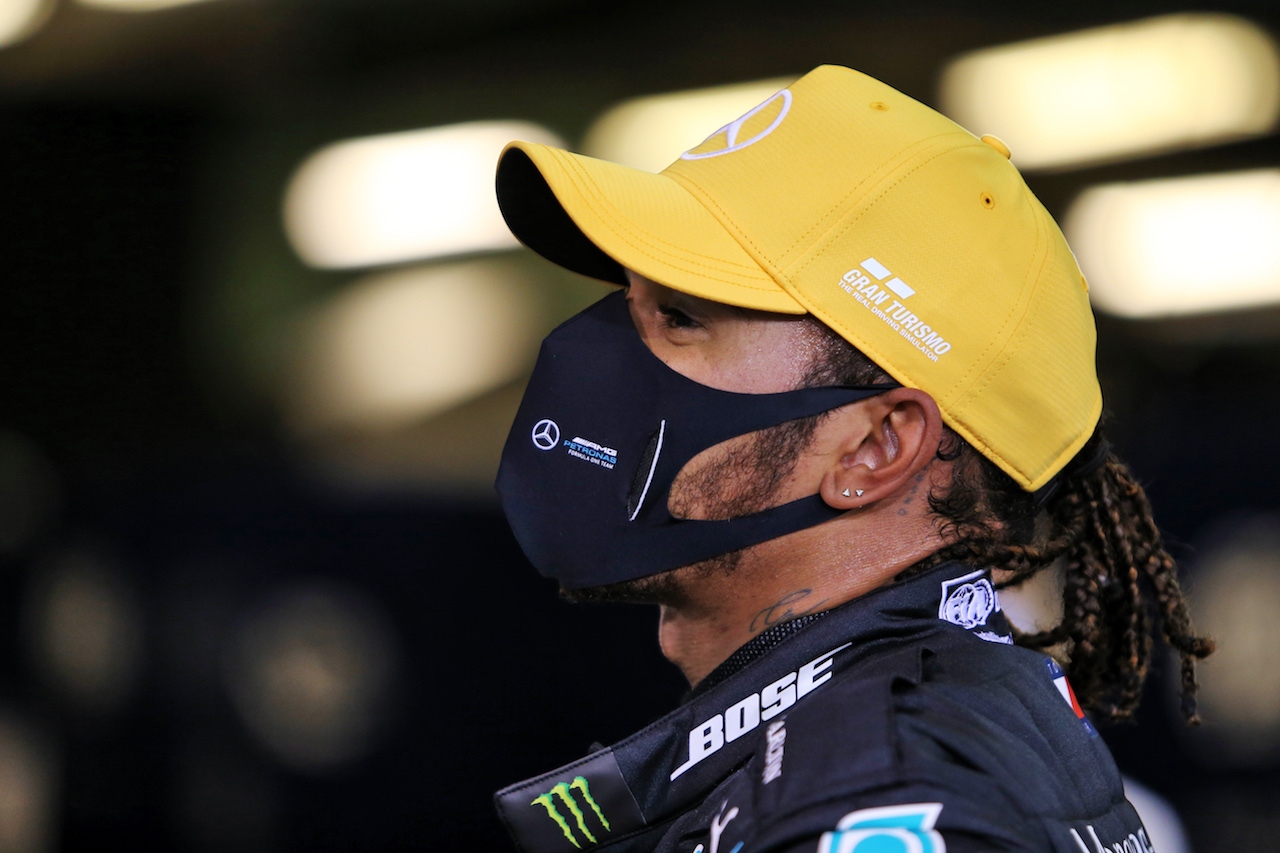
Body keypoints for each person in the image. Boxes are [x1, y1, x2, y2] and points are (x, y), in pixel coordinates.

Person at [488, 65, 1212, 853]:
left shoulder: (880, 793)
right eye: (625, 302)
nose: (602, 352)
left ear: (875, 446)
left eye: (683, 317)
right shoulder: (911, 736)